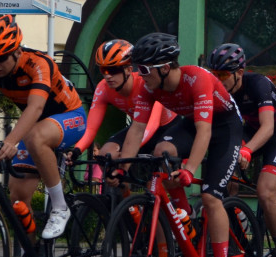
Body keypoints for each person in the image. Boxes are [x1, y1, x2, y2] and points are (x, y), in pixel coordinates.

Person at [113, 33, 243, 257]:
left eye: (145, 69)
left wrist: (190, 169)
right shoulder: (149, 88)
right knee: (162, 153)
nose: (140, 74)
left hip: (224, 128)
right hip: (190, 121)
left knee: (210, 196)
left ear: (164, 68)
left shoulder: (198, 78)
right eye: (138, 69)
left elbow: (204, 132)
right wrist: (122, 170)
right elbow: (136, 130)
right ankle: (187, 220)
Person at [0, 15, 88, 257]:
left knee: (35, 136)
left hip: (69, 117)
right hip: (34, 127)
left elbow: (37, 108)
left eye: (2, 57)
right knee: (18, 202)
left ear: (17, 50)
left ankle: (61, 207)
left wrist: (12, 140)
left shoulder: (38, 64)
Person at [208, 43, 276, 257]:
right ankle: (238, 217)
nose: (219, 80)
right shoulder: (219, 92)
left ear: (239, 72)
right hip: (248, 132)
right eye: (215, 75)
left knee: (266, 192)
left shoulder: (258, 84)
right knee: (223, 182)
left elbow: (267, 128)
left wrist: (246, 150)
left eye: (224, 75)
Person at [70, 39, 193, 178]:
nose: (107, 75)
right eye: (103, 70)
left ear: (129, 69)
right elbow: (91, 128)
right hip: (139, 127)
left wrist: (128, 152)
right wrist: (76, 151)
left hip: (165, 127)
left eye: (113, 70)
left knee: (160, 174)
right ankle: (125, 196)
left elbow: (151, 126)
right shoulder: (103, 88)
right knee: (106, 155)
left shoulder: (146, 85)